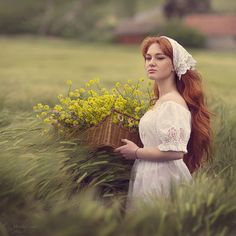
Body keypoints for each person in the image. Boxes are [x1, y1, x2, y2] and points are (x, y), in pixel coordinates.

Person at [115, 36, 212, 210]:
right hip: (150, 173)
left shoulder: (172, 104)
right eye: (148, 58)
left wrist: (136, 152)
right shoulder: (161, 101)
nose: (151, 62)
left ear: (174, 64)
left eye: (160, 58)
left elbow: (175, 152)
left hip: (162, 179)